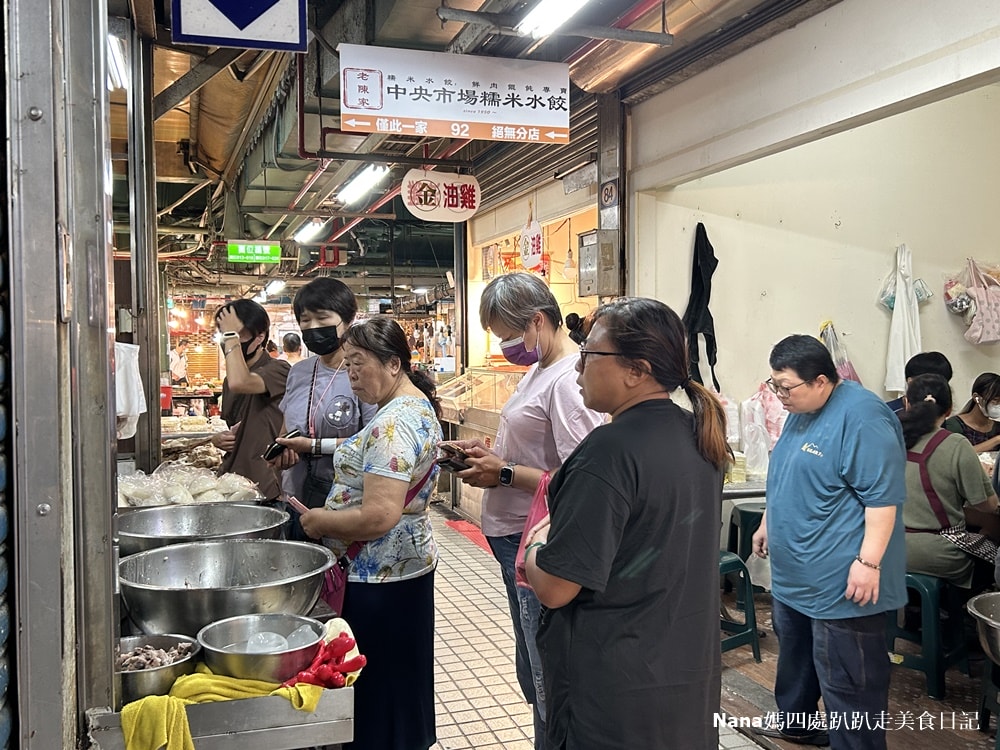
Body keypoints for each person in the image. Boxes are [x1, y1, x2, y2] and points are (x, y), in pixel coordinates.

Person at [523, 297, 728, 750]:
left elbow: (557, 587)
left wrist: (537, 545)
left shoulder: (609, 451)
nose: (578, 368)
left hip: (612, 693)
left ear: (636, 370)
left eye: (589, 355)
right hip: (682, 678)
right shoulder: (698, 435)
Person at [450, 272, 604, 748]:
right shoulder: (541, 368)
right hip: (512, 538)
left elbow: (586, 481)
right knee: (531, 661)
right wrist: (487, 454)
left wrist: (503, 473)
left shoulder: (569, 383)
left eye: (508, 335)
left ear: (538, 320)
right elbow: (535, 451)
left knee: (545, 671)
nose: (506, 347)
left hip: (533, 541)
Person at [751, 334, 906, 750]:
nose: (779, 394)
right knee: (797, 661)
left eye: (786, 386)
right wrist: (769, 521)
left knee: (849, 679)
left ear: (821, 380)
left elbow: (882, 497)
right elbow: (787, 470)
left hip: (841, 576)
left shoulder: (863, 417)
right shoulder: (801, 409)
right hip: (796, 572)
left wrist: (869, 562)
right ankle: (797, 725)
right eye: (774, 384)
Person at [299, 317, 442, 750]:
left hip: (380, 578)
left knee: (378, 683)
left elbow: (380, 514)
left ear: (393, 363)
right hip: (404, 571)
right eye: (346, 365)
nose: (351, 374)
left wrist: (321, 521)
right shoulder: (413, 407)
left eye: (358, 363)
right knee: (402, 676)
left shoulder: (392, 424)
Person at [271, 278, 376, 540]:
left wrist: (313, 447)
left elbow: (374, 442)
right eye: (305, 320)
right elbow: (288, 427)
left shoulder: (364, 373)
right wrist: (282, 450)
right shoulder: (299, 372)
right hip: (296, 500)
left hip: (347, 505)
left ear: (348, 319)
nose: (312, 327)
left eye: (322, 317)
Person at [898, 374, 999, 592]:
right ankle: (957, 616)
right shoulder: (954, 444)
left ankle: (919, 610)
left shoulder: (889, 438)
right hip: (933, 551)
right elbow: (987, 505)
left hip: (885, 546)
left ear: (906, 403)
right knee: (992, 553)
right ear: (949, 409)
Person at [211, 300, 290, 503]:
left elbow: (241, 382)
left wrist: (230, 337)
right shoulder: (230, 380)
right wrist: (219, 439)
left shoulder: (278, 370)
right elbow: (237, 428)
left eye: (239, 333)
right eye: (224, 332)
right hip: (233, 482)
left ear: (260, 337)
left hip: (266, 487)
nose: (228, 339)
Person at [943, 372, 1000, 453]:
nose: (998, 405)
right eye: (995, 400)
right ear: (976, 397)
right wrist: (996, 440)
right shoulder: (954, 425)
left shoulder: (997, 428)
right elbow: (955, 456)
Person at [885, 351, 953, 412]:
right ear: (910, 382)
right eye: (929, 384)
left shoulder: (943, 411)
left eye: (941, 385)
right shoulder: (887, 413)